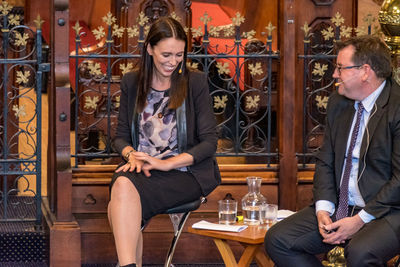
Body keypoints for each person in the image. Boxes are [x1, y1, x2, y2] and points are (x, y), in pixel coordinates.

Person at [265, 35, 400, 266]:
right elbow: (326, 160)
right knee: (279, 240)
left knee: (360, 252)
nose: (334, 75)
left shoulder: (396, 108)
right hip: (343, 206)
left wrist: (360, 219)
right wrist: (323, 209)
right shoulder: (340, 102)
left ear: (365, 71)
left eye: (340, 68)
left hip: (388, 211)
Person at [108, 17, 221, 267]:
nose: (173, 62)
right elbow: (121, 137)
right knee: (122, 184)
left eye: (179, 55)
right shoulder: (131, 82)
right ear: (150, 49)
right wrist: (131, 156)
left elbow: (209, 143)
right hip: (143, 171)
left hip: (184, 173)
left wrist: (165, 164)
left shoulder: (196, 83)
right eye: (166, 54)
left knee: (122, 189)